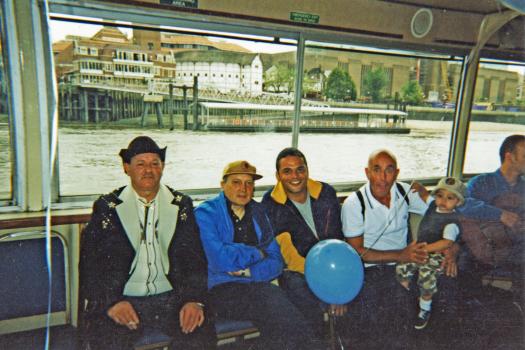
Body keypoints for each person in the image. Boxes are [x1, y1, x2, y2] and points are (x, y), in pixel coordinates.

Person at [79, 136, 214, 350]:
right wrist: (111, 302)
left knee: (199, 333)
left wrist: (194, 301)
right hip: (123, 298)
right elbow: (90, 264)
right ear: (126, 168)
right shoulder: (107, 207)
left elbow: (195, 259)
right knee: (108, 341)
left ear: (162, 168)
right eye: (140, 164)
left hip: (171, 298)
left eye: (155, 164)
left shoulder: (182, 206)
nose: (148, 170)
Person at [195, 160, 320, 350]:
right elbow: (220, 260)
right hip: (221, 288)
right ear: (223, 185)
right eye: (236, 182)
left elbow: (276, 261)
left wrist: (247, 271)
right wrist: (257, 252)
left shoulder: (259, 212)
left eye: (249, 183)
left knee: (300, 292)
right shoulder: (206, 213)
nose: (243, 189)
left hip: (257, 282)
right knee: (275, 302)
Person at [341, 149, 458, 349]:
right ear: (367, 172)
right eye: (377, 170)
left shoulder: (406, 192)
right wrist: (400, 255)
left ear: (397, 173)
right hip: (371, 268)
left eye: (389, 170)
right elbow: (357, 251)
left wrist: (452, 250)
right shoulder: (354, 204)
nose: (383, 177)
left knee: (448, 288)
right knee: (394, 304)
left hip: (408, 262)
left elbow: (445, 215)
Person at [261, 147, 345, 339]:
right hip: (298, 272)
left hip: (334, 265)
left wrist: (338, 284)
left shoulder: (326, 193)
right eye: (287, 171)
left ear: (307, 170)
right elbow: (290, 256)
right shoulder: (271, 204)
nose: (295, 176)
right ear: (278, 176)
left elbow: (337, 239)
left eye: (300, 169)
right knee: (303, 299)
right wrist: (329, 289)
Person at [458, 134, 525, 295]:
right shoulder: (481, 182)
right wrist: (500, 214)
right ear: (509, 156)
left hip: (518, 252)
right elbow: (462, 205)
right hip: (484, 253)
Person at [395, 177, 465, 330]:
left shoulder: (451, 221)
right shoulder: (433, 206)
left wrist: (425, 249)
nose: (443, 201)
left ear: (458, 202)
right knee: (403, 267)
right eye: (440, 196)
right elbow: (426, 197)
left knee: (426, 276)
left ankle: (425, 308)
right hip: (421, 250)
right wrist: (421, 190)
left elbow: (446, 243)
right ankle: (405, 293)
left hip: (437, 254)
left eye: (450, 198)